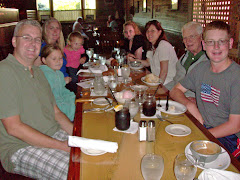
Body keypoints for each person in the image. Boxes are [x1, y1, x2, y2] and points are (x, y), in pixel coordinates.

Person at [0, 19, 73, 179]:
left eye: (37, 39)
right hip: (20, 146)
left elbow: (56, 112)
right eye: (26, 37)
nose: (33, 43)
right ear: (14, 41)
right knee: (77, 171)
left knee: (97, 156)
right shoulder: (4, 72)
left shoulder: (39, 72)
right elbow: (14, 128)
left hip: (52, 134)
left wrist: (78, 135)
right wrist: (63, 146)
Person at [170, 20, 240, 158]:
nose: (216, 47)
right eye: (210, 42)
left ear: (230, 43)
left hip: (229, 138)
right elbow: (175, 91)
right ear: (204, 44)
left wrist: (202, 136)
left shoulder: (236, 76)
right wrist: (190, 105)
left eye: (222, 41)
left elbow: (234, 126)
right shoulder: (201, 69)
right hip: (202, 127)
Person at [165, 21, 208, 97]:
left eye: (192, 36)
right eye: (185, 38)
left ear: (201, 37)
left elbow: (208, 90)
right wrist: (161, 89)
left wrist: (196, 101)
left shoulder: (208, 60)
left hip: (190, 98)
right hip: (175, 94)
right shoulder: (185, 56)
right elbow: (176, 81)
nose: (188, 41)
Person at [131, 20, 178, 85]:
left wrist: (158, 87)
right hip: (156, 80)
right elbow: (147, 63)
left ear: (159, 32)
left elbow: (164, 72)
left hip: (169, 82)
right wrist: (134, 60)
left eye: (152, 31)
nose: (149, 33)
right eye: (147, 31)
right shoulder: (152, 46)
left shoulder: (163, 45)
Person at [40, 44, 76, 122]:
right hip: (53, 109)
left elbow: (62, 90)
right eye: (54, 59)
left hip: (61, 103)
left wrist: (72, 97)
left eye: (60, 58)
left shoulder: (58, 73)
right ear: (44, 60)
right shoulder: (45, 75)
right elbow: (51, 99)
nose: (58, 61)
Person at [34, 17, 72, 85]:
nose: (55, 31)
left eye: (57, 28)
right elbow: (36, 72)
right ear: (45, 30)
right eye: (51, 28)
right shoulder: (41, 48)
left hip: (66, 82)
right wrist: (60, 80)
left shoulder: (59, 46)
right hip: (54, 86)